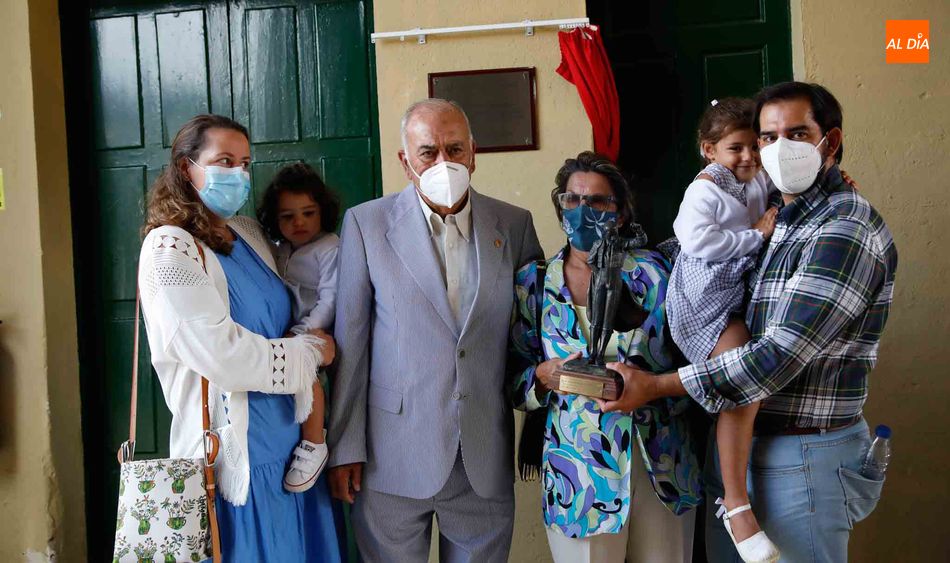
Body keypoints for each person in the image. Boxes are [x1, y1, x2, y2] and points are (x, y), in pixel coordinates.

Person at [598, 82, 898, 562]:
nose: (778, 150)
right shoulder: (783, 214)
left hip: (802, 457)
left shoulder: (843, 227)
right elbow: (709, 247)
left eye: (797, 134)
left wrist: (656, 386)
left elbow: (776, 356)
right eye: (768, 137)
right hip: (740, 445)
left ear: (831, 142)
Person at [326, 98, 543, 562]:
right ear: (406, 162)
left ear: (473, 154)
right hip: (390, 458)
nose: (444, 162)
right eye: (428, 152)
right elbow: (351, 344)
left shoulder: (514, 225)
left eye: (455, 148)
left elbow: (532, 336)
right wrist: (344, 446)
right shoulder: (367, 224)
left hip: (482, 456)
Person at [139, 114, 341, 562]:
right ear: (186, 167)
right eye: (224, 161)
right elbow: (222, 357)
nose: (239, 174)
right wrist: (310, 352)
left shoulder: (247, 232)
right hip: (235, 463)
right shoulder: (168, 247)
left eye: (245, 163)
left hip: (295, 452)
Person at [509, 151, 702, 563]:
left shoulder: (657, 274)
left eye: (598, 201)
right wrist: (542, 376)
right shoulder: (535, 283)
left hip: (662, 465)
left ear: (620, 213)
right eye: (572, 200)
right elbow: (512, 379)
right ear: (561, 207)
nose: (584, 211)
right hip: (579, 477)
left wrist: (652, 387)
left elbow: (698, 363)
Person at [666, 98, 780, 562]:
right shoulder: (705, 189)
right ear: (709, 150)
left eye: (755, 145)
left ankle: (735, 494)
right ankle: (736, 503)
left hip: (733, 285)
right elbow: (697, 240)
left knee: (747, 385)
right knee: (741, 384)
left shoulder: (755, 176)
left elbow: (787, 185)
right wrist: (756, 235)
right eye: (736, 148)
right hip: (704, 294)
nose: (749, 156)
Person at [257, 162, 341, 493]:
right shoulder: (279, 250)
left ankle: (314, 443)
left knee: (307, 375)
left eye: (308, 213)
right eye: (287, 217)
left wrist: (303, 331)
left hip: (315, 331)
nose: (299, 223)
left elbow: (331, 299)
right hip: (284, 332)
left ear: (323, 212)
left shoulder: (329, 247)